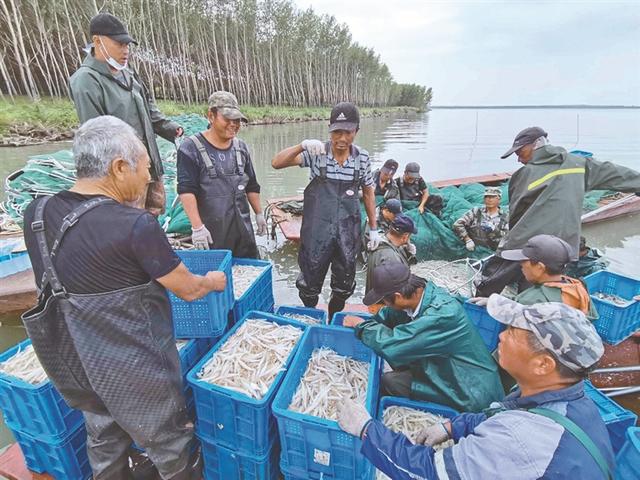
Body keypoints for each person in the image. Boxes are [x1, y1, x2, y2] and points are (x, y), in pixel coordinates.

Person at [21, 116, 227, 480]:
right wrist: (213, 280)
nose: (149, 177)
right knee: (170, 445)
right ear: (119, 167)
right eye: (146, 167)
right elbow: (188, 289)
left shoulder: (36, 213)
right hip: (137, 373)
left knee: (102, 437)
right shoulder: (135, 226)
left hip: (76, 364)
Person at [338, 296, 614, 480]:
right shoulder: (574, 403)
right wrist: (452, 427)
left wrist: (366, 430)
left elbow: (426, 472)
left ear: (543, 364)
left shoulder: (518, 440)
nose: (502, 336)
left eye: (514, 332)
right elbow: (504, 413)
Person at [475, 126, 640, 297]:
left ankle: (478, 309)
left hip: (528, 241)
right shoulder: (580, 164)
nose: (519, 159)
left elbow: (516, 214)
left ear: (536, 144)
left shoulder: (525, 173)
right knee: (539, 288)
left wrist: (509, 242)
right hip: (563, 246)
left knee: (491, 280)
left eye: (519, 152)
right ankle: (527, 313)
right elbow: (618, 175)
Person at [343, 263, 504, 412]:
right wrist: (374, 321)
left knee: (390, 381)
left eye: (385, 301)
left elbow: (394, 345)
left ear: (398, 296)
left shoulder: (442, 315)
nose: (384, 305)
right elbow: (393, 313)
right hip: (443, 370)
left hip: (469, 390)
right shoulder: (421, 294)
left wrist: (362, 326)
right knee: (396, 373)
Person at [271, 102, 378, 318]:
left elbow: (368, 192)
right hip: (317, 230)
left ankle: (333, 316)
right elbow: (276, 163)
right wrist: (301, 145)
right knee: (310, 279)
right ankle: (311, 314)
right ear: (329, 128)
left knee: (344, 281)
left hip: (348, 229)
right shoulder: (316, 152)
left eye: (348, 132)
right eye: (336, 132)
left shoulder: (363, 158)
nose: (342, 138)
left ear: (356, 131)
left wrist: (374, 229)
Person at [69, 13, 183, 215]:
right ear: (97, 41)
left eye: (128, 45)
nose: (126, 50)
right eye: (120, 44)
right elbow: (97, 137)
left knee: (153, 215)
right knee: (129, 221)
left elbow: (149, 110)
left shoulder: (127, 72)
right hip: (122, 174)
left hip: (147, 165)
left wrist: (173, 130)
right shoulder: (87, 80)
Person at [177, 91, 266, 257]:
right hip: (211, 235)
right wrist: (197, 228)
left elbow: (252, 185)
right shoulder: (190, 148)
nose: (233, 124)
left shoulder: (241, 147)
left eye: (237, 120)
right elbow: (186, 191)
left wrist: (259, 214)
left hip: (243, 231)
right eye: (227, 119)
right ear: (211, 116)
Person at [500, 234, 599, 320]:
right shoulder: (577, 287)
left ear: (540, 267)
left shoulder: (531, 300)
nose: (520, 264)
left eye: (524, 261)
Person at [365, 214, 417, 313]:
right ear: (405, 236)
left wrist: (408, 252)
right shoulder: (391, 258)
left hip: (375, 300)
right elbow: (397, 293)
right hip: (385, 307)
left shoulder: (380, 242)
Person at [453, 186, 509, 251]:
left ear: (499, 199)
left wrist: (494, 230)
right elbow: (457, 224)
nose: (489, 200)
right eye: (487, 197)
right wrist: (467, 239)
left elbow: (508, 237)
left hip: (493, 251)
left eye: (493, 197)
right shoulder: (476, 211)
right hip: (475, 249)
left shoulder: (505, 216)